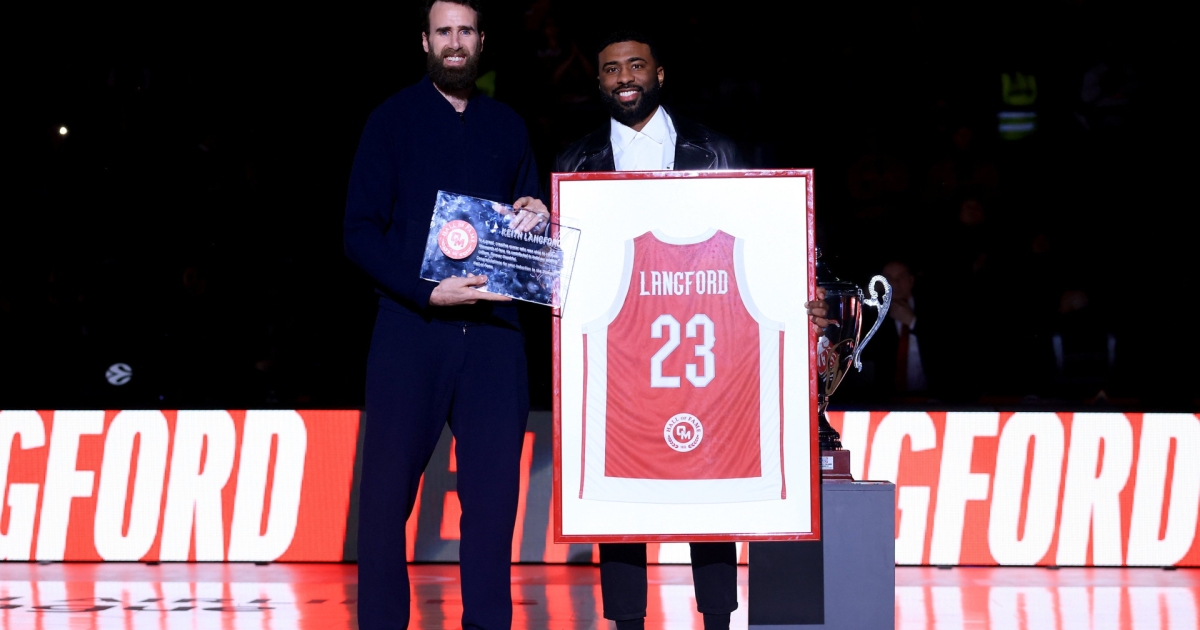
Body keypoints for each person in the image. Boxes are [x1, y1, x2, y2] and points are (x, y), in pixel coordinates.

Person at [343, 1, 549, 628]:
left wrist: (536, 214)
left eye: (465, 31)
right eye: (443, 32)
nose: (454, 43)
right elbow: (358, 231)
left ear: (481, 41)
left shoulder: (508, 125)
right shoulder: (391, 120)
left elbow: (527, 222)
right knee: (385, 503)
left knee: (492, 506)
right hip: (412, 330)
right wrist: (424, 292)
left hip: (494, 339)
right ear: (425, 42)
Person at [555, 30, 741, 630]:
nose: (624, 78)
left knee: (707, 487)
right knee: (620, 495)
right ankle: (627, 622)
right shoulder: (574, 162)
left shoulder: (715, 151)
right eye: (611, 70)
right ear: (599, 82)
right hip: (618, 354)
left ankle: (718, 620)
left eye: (636, 66)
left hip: (701, 349)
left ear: (660, 75)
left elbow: (750, 243)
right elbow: (566, 270)